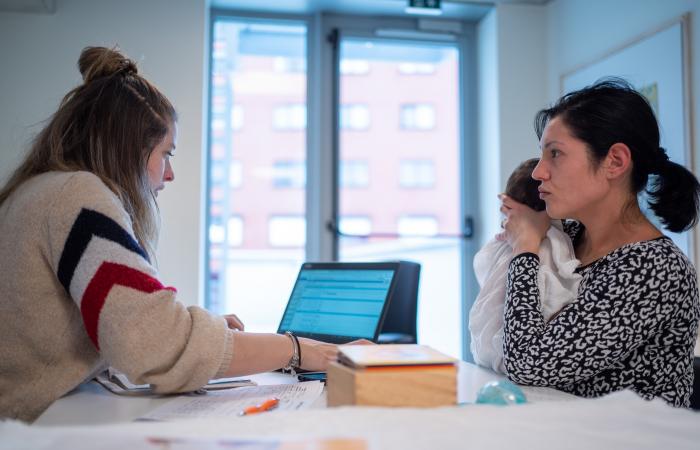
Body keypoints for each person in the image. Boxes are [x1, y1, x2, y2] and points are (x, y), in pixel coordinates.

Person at [0, 47, 343, 423]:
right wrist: (297, 349)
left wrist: (199, 332)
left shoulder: (38, 191)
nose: (169, 174)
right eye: (166, 153)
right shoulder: (76, 196)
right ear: (128, 147)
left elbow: (129, 323)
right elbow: (151, 343)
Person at [499, 78, 700, 407]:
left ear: (616, 162)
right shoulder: (570, 240)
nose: (538, 173)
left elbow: (527, 363)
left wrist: (525, 247)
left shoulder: (653, 270)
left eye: (556, 154)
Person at [470, 158, 581, 373]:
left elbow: (482, 263)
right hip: (516, 352)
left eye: (556, 152)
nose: (543, 170)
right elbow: (567, 269)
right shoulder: (554, 239)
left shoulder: (504, 241)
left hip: (499, 354)